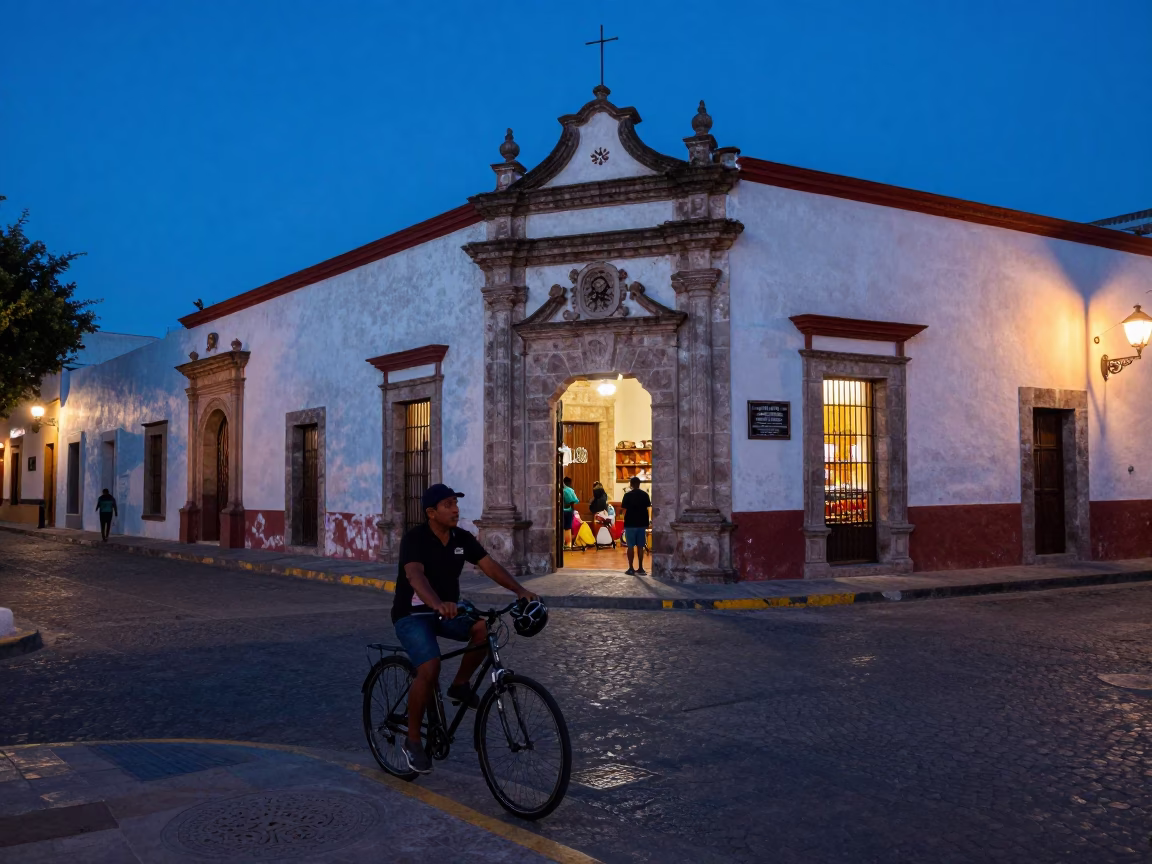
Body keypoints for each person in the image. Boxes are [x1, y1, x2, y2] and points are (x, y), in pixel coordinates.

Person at [392, 483, 539, 775]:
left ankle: (460, 684)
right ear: (431, 512)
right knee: (429, 667)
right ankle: (412, 741)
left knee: (483, 628)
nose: (455, 509)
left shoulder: (462, 538)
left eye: (455, 503)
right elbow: (414, 574)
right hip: (412, 614)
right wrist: (436, 603)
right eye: (447, 505)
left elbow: (489, 565)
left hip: (449, 609)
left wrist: (520, 590)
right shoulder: (415, 538)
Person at [620, 476, 652, 576]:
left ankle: (630, 568)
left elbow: (624, 510)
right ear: (639, 484)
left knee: (630, 547)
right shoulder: (645, 495)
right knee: (640, 546)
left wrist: (624, 519)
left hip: (630, 524)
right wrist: (649, 521)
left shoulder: (627, 495)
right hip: (642, 524)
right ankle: (641, 568)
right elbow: (648, 508)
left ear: (631, 484)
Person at [561, 476, 579, 549]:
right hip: (569, 510)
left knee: (561, 528)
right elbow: (575, 500)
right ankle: (568, 544)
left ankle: (562, 544)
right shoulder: (570, 490)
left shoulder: (560, 490)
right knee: (568, 528)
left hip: (561, 511)